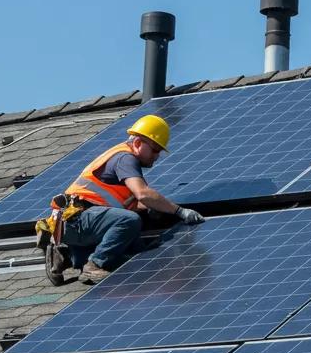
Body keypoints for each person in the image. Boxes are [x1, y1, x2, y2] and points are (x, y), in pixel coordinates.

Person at [41, 114, 205, 285]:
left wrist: (157, 208)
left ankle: (66, 256)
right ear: (138, 143)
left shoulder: (125, 165)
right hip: (76, 220)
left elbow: (136, 203)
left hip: (81, 225)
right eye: (155, 149)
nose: (157, 156)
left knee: (134, 257)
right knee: (130, 221)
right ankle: (95, 264)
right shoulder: (125, 158)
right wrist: (179, 211)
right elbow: (143, 194)